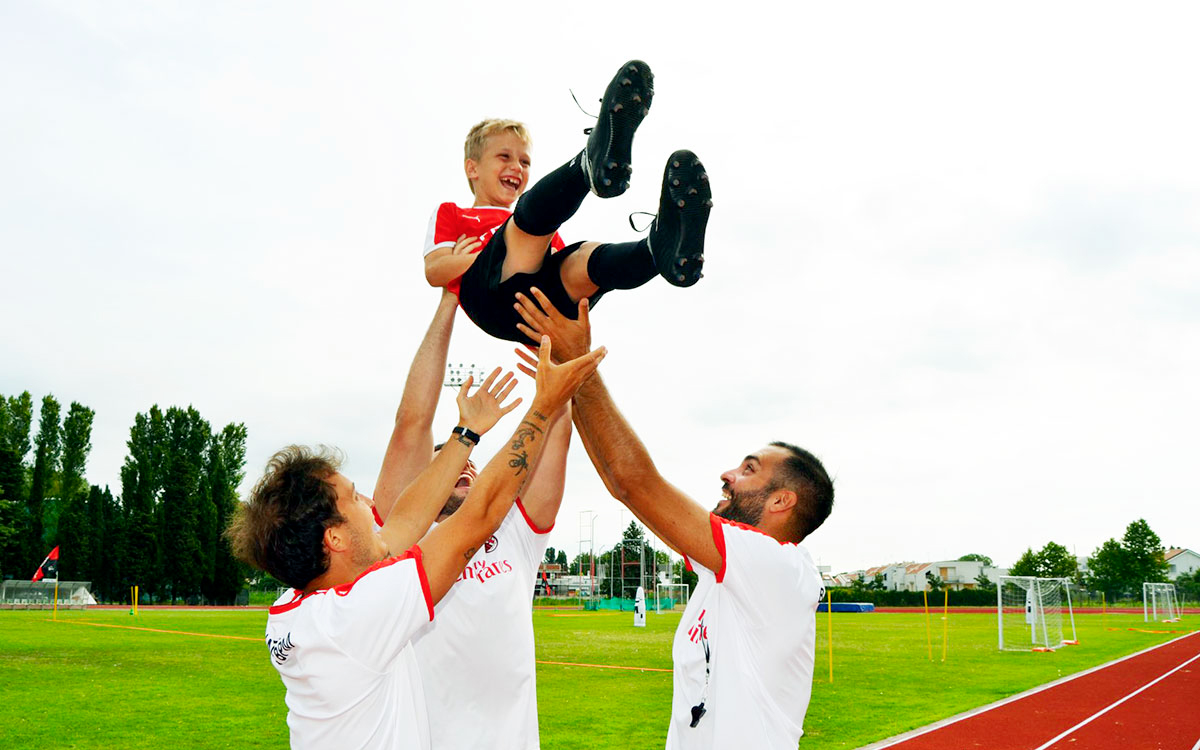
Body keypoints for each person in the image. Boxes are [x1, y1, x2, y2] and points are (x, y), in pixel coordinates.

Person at [227, 336, 605, 750]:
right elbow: (479, 515)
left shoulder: (298, 606)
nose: (368, 503)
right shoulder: (358, 615)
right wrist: (544, 407)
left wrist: (467, 433)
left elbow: (405, 520)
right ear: (334, 537)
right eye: (354, 498)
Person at [512, 288, 835, 749]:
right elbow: (619, 482)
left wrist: (579, 361)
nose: (727, 475)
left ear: (781, 501)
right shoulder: (725, 571)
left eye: (748, 469)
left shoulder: (776, 567)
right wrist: (566, 387)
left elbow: (635, 483)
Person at [370, 290, 572, 750]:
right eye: (449, 463)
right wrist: (451, 297)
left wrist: (558, 357)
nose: (465, 466)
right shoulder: (399, 539)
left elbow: (556, 433)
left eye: (472, 466)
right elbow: (411, 425)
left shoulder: (515, 532)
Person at [423, 59, 713, 343]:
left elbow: (558, 271)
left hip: (542, 314)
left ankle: (656, 252)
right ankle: (587, 165)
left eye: (525, 162)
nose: (517, 167)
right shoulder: (454, 212)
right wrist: (476, 258)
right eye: (504, 156)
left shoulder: (540, 224)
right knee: (525, 230)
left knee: (582, 260)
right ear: (473, 168)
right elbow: (434, 271)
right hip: (488, 300)